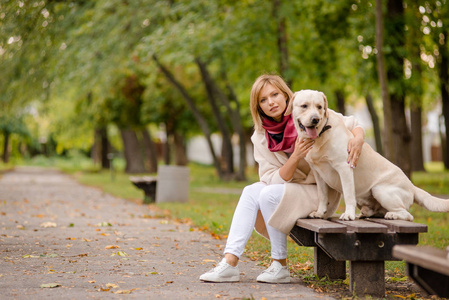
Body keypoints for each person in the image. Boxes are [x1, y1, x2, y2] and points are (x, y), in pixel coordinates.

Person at [199, 74, 365, 283]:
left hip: (321, 193)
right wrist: (295, 157)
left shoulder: (308, 110)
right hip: (287, 189)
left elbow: (353, 122)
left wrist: (358, 139)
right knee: (250, 191)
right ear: (258, 107)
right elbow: (270, 179)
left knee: (268, 194)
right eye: (263, 99)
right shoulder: (260, 136)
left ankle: (279, 265)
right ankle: (229, 263)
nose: (271, 102)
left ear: (286, 96)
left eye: (275, 94)